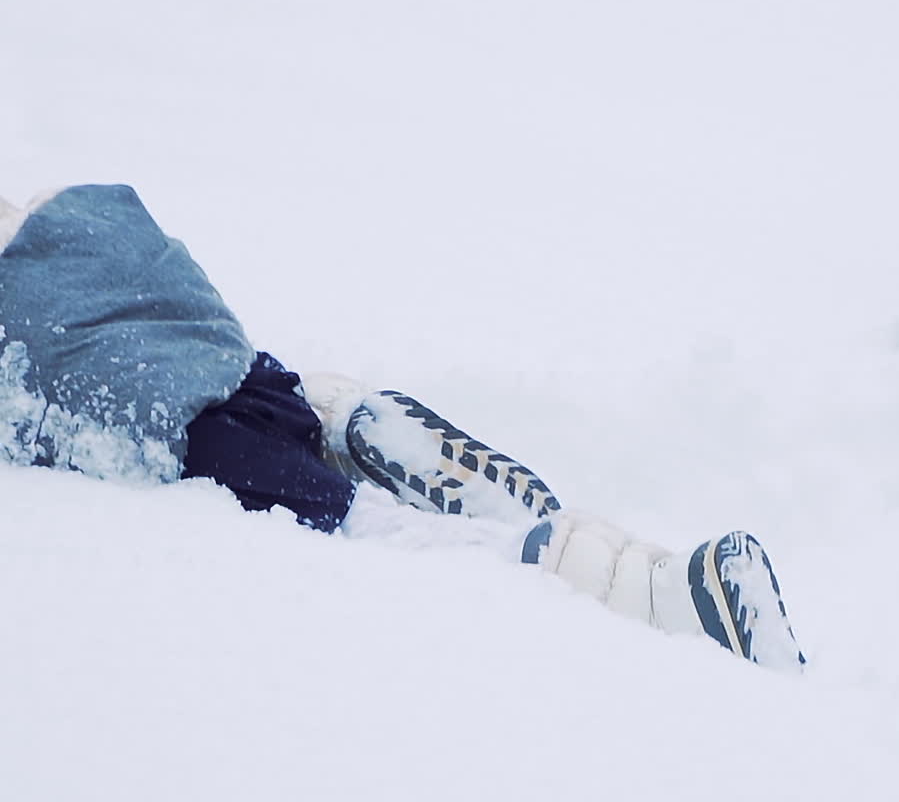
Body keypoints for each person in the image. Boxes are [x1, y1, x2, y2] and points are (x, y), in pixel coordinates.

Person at [0, 182, 804, 672]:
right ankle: (337, 417)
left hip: (210, 442)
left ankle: (659, 605)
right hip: (240, 374)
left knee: (385, 534)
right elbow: (134, 252)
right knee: (322, 451)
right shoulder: (62, 217)